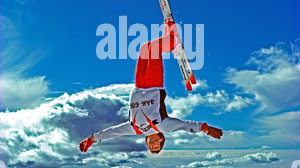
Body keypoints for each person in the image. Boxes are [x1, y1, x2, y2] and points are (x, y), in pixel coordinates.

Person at [79, 21, 222, 155]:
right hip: (154, 84)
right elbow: (183, 125)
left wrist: (92, 139)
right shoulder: (162, 126)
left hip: (139, 85)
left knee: (144, 48)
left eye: (150, 148)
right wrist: (204, 128)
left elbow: (112, 132)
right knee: (154, 48)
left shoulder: (134, 129)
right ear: (161, 140)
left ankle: (168, 38)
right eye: (156, 147)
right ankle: (173, 41)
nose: (151, 146)